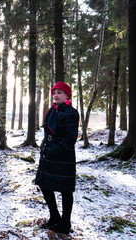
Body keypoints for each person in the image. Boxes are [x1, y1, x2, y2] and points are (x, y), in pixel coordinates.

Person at [35, 81, 79, 234]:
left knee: (65, 190)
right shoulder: (52, 111)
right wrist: (44, 146)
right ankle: (54, 216)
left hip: (63, 156)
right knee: (44, 184)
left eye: (60, 92)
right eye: (54, 92)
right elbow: (48, 132)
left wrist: (55, 148)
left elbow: (70, 138)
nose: (56, 95)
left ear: (67, 95)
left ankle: (65, 224)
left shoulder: (71, 112)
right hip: (48, 154)